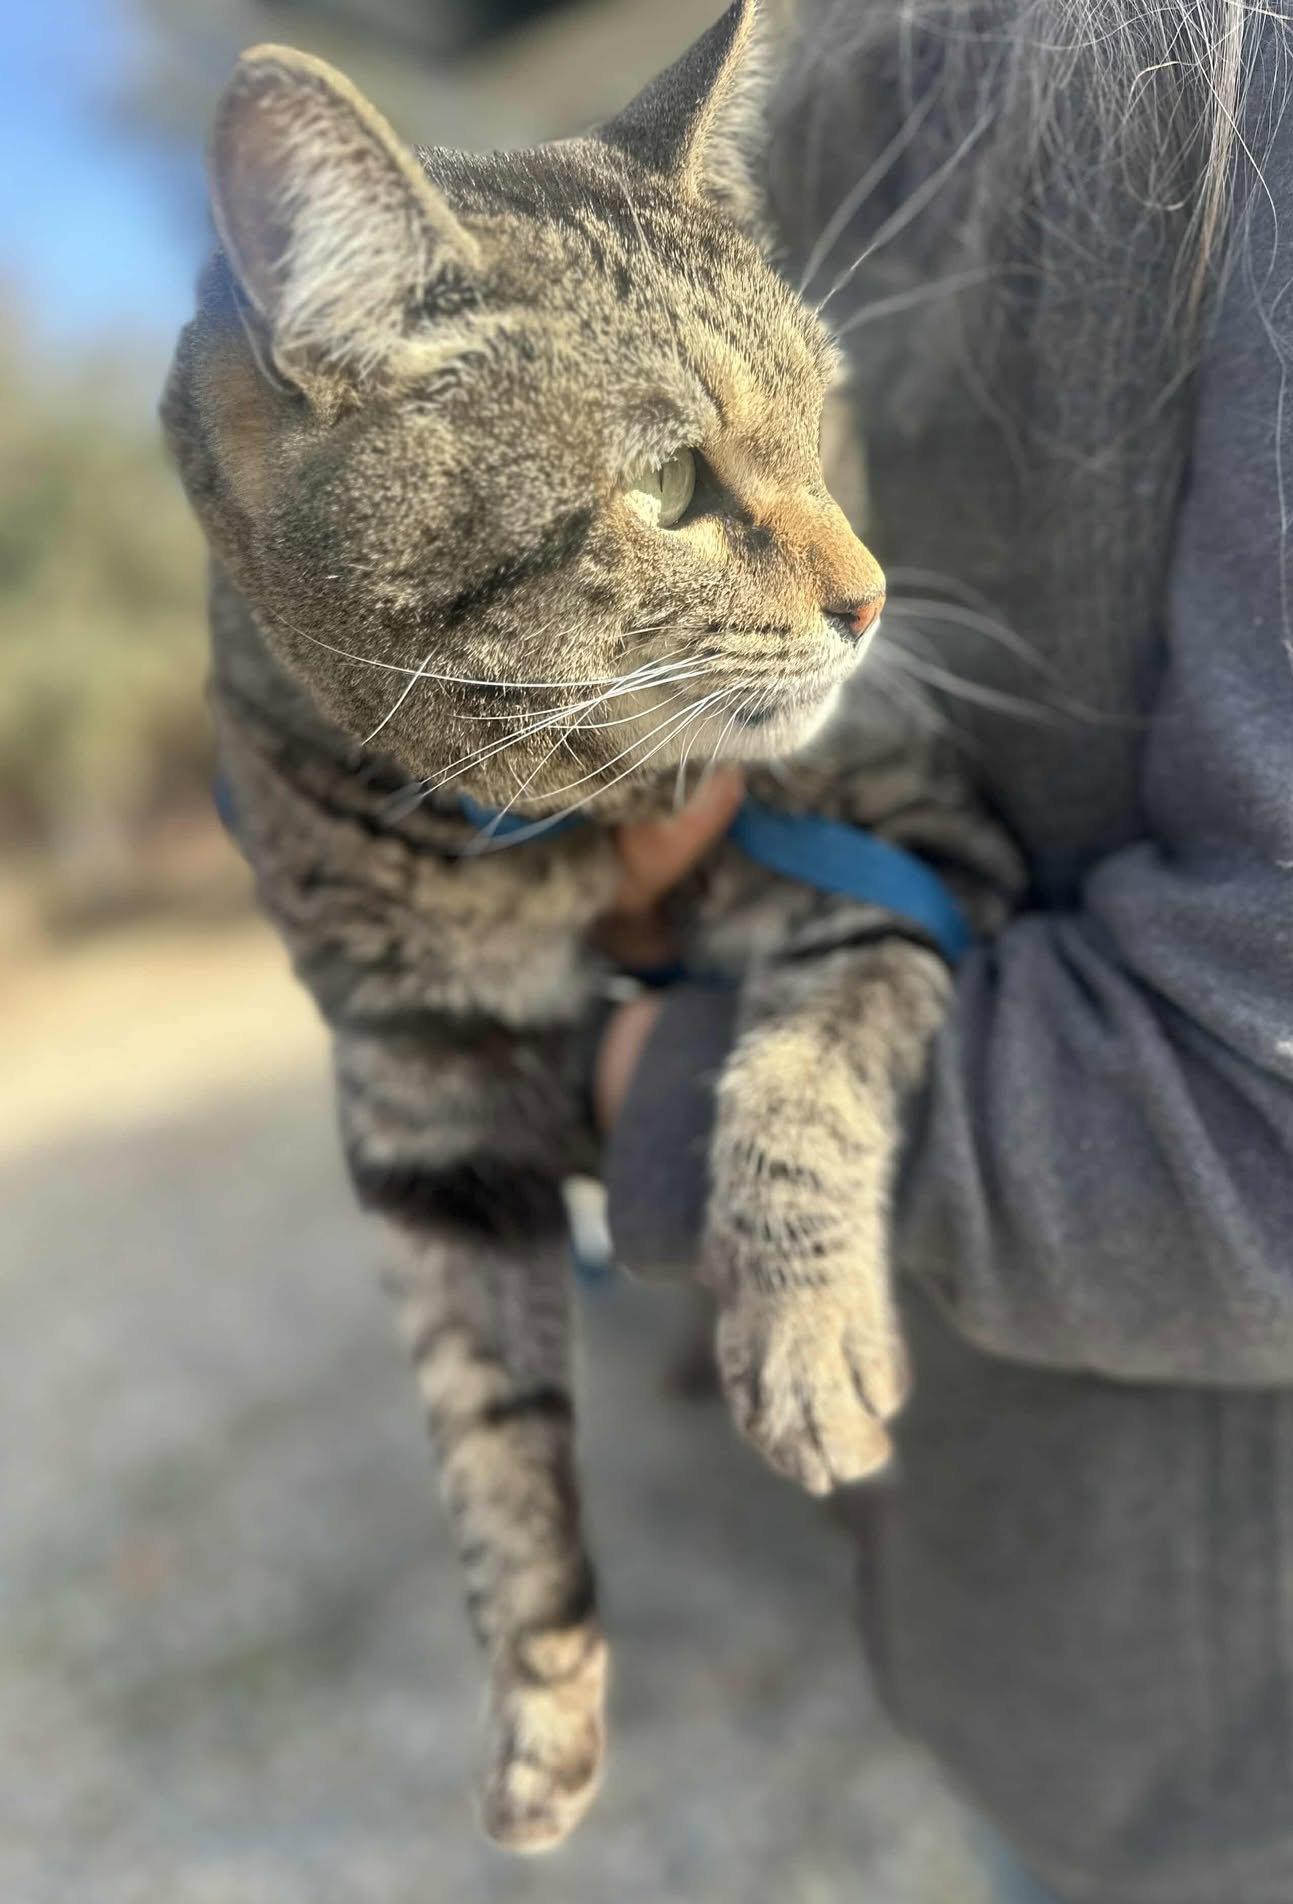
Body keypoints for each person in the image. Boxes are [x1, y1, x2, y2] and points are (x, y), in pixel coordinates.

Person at [589, 5, 1293, 1900]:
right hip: (1005, 1643)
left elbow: (1268, 1112)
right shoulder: (841, 72)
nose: (860, 582)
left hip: (1226, 1785)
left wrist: (617, 1084)